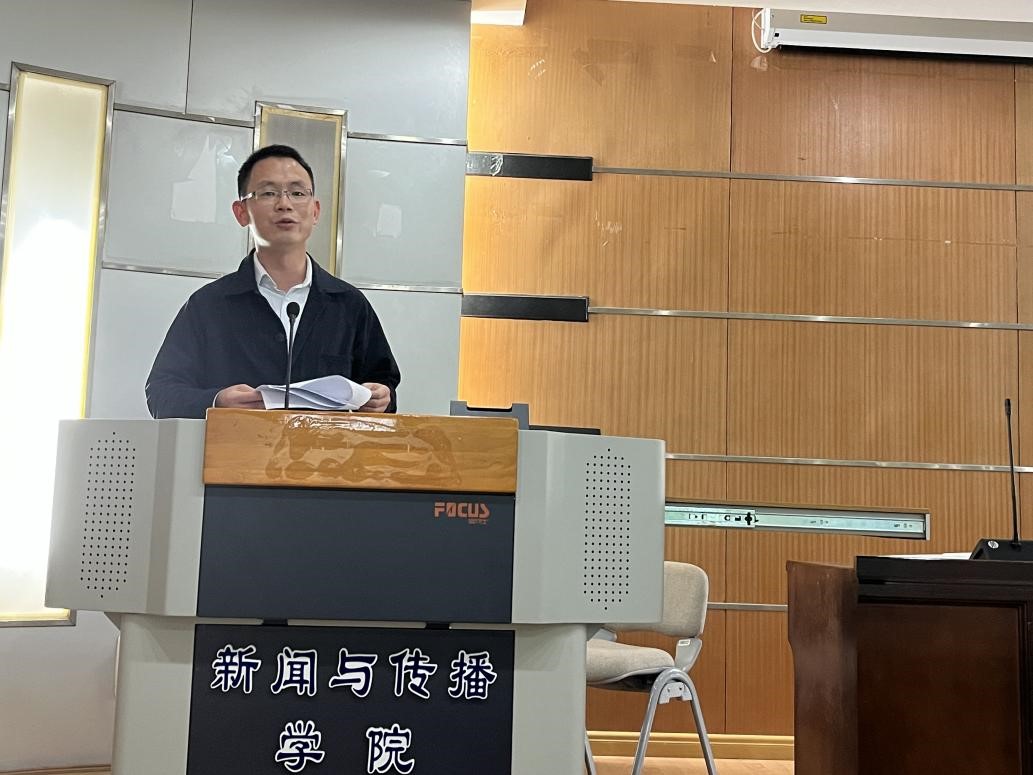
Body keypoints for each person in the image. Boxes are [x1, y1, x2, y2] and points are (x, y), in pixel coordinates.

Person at [145, 144, 400, 419]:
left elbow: (383, 384)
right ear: (241, 212)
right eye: (268, 193)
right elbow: (161, 394)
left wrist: (381, 397)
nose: (284, 204)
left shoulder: (349, 305)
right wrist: (216, 402)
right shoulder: (208, 305)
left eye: (297, 193)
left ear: (315, 211)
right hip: (236, 446)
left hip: (326, 448)